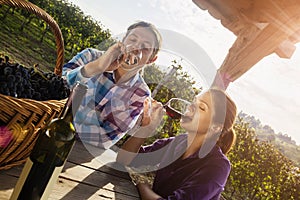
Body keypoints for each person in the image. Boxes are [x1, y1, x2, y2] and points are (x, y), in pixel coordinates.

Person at [117, 88, 237, 200]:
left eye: (201, 107)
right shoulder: (176, 143)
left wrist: (143, 186)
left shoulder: (218, 167)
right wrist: (146, 129)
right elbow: (124, 159)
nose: (190, 107)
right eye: (193, 102)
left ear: (215, 127)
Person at [62, 21, 162, 149]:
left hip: (78, 151)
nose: (136, 48)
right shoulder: (90, 56)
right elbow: (54, 86)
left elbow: (105, 139)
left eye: (145, 48)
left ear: (151, 60)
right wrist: (95, 67)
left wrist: (66, 125)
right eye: (132, 39)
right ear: (122, 41)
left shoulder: (140, 94)